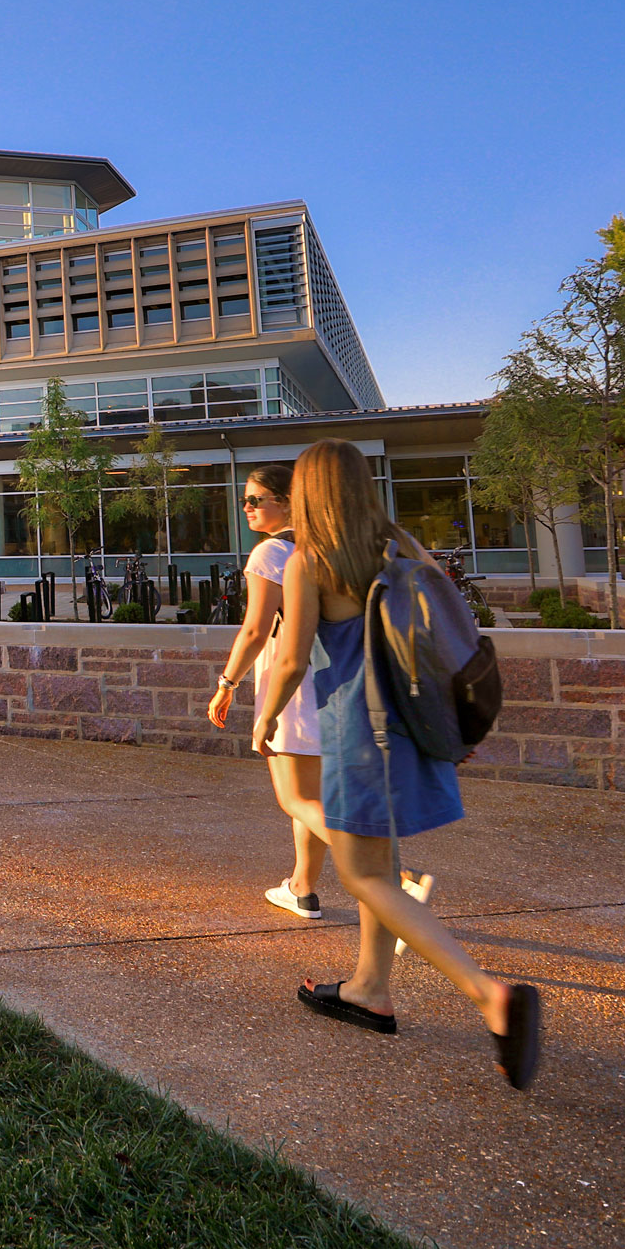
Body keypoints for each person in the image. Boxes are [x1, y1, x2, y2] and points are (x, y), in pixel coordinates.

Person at [254, 439, 543, 1090]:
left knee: (365, 876)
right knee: (378, 864)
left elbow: (294, 657)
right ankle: (368, 988)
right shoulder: (399, 544)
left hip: (359, 734)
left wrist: (266, 718)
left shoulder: (310, 561)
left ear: (308, 493)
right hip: (411, 727)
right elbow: (445, 627)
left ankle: (489, 995)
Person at [207, 465, 331, 919]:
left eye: (257, 499)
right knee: (311, 796)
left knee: (294, 798)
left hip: (292, 686)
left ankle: (394, 875)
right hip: (335, 681)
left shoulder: (270, 554)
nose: (247, 508)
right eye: (246, 500)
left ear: (287, 501)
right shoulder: (327, 548)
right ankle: (302, 887)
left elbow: (257, 628)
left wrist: (227, 684)